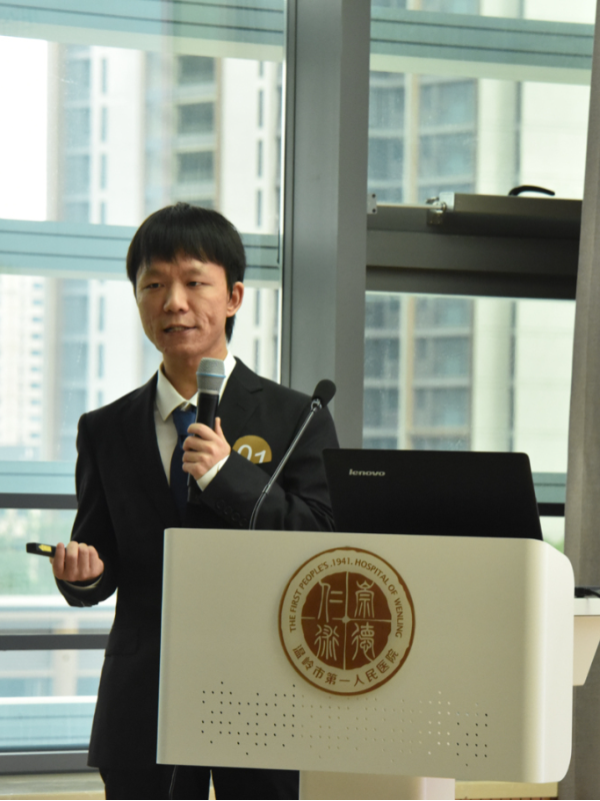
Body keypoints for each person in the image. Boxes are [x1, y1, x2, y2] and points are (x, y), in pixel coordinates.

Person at [50, 203, 339, 801]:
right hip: (143, 698)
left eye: (193, 282)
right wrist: (82, 574)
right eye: (153, 285)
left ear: (233, 297)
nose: (173, 302)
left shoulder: (297, 416)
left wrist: (228, 476)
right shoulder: (105, 428)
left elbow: (322, 543)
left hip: (264, 690)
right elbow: (100, 555)